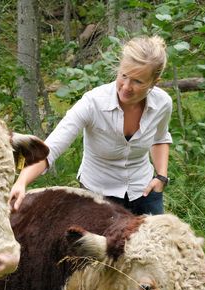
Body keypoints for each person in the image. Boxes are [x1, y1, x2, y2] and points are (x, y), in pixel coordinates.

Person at [9, 35, 173, 215]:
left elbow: (160, 138)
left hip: (144, 191)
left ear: (153, 83)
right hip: (98, 196)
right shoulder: (93, 103)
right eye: (123, 76)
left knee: (156, 242)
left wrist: (161, 176)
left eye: (138, 81)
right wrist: (21, 182)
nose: (126, 86)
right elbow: (52, 148)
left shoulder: (162, 103)